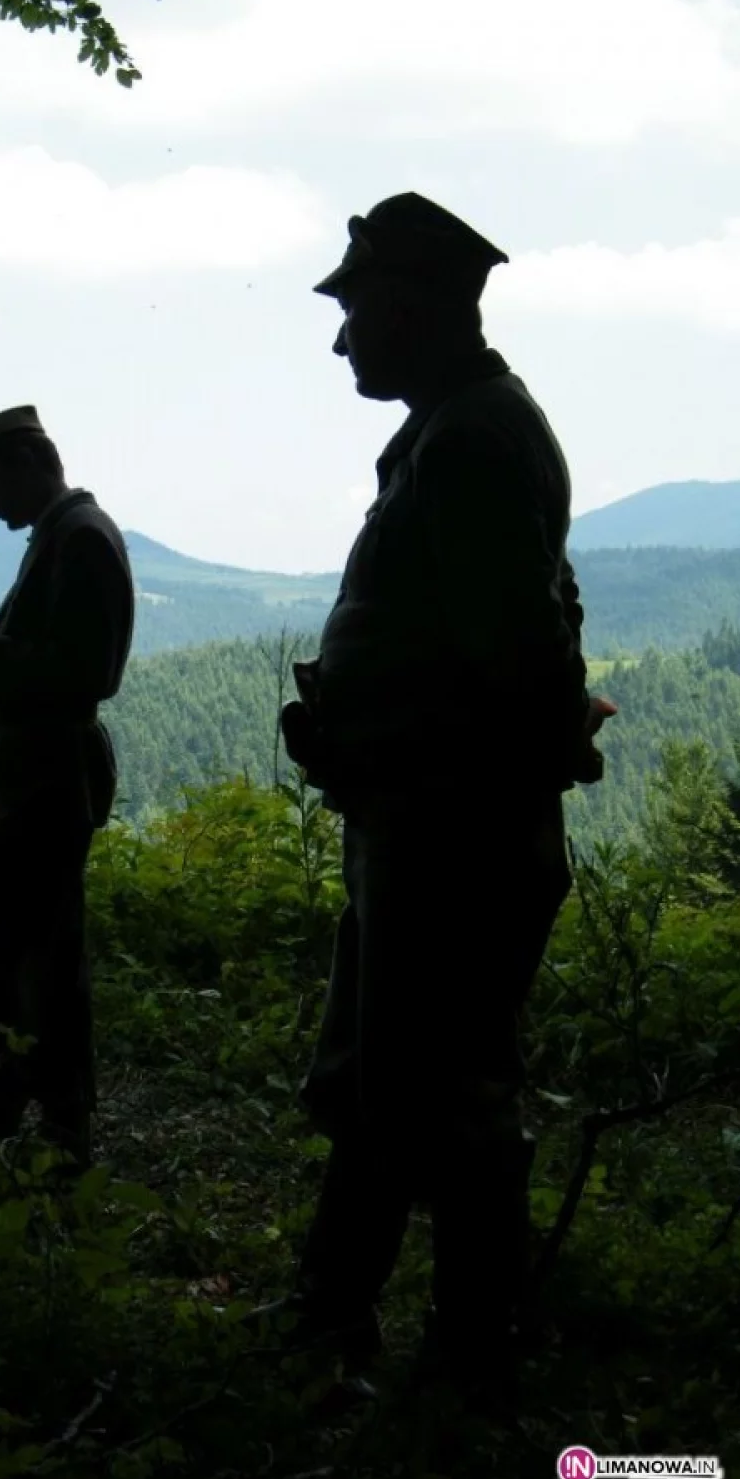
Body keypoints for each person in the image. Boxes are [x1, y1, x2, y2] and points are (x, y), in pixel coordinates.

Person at [251, 193, 616, 1405]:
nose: (343, 339)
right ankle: (345, 1316)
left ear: (415, 305)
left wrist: (383, 734)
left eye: (355, 309)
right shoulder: (463, 430)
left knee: (441, 1091)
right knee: (386, 1079)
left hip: (451, 828)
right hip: (430, 817)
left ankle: (466, 1355)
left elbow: (511, 656)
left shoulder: (468, 442)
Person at [0, 405, 134, 1172]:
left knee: (29, 956)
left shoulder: (80, 539)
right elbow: (54, 654)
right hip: (29, 783)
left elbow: (88, 675)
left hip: (40, 790)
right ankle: (16, 1111)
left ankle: (41, 1123)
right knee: (15, 952)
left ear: (27, 461)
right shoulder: (63, 536)